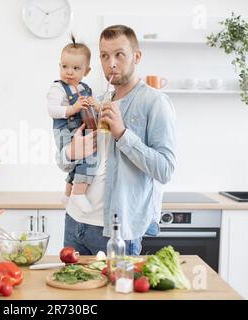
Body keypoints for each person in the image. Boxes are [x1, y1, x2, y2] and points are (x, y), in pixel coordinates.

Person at [55, 25, 177, 255]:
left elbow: (165, 169)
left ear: (136, 57)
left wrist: (122, 134)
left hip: (115, 232)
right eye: (104, 55)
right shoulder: (95, 102)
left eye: (119, 54)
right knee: (71, 290)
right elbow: (62, 162)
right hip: (74, 222)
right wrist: (71, 152)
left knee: (115, 291)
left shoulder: (155, 102)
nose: (111, 63)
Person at [47, 35, 101, 213]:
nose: (69, 72)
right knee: (89, 158)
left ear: (87, 70)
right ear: (59, 65)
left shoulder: (85, 88)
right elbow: (52, 110)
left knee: (81, 160)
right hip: (64, 130)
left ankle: (68, 194)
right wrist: (72, 108)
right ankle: (79, 193)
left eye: (76, 68)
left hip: (79, 129)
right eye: (65, 66)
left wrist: (95, 105)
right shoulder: (57, 88)